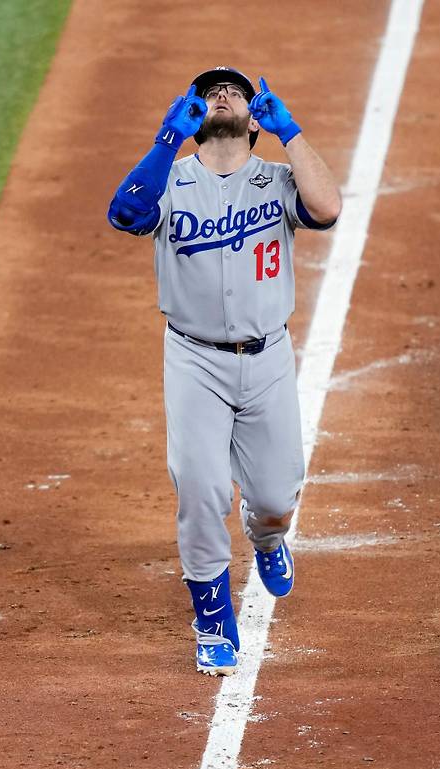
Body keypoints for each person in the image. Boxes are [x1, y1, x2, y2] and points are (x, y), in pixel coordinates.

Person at [107, 67, 341, 677]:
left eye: (233, 88)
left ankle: (267, 538)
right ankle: (212, 618)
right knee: (200, 487)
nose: (222, 94)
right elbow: (125, 215)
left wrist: (289, 130)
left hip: (268, 358)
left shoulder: (278, 178)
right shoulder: (174, 179)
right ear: (193, 115)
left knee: (274, 494)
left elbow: (326, 207)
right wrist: (165, 140)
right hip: (194, 359)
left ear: (254, 115)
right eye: (208, 91)